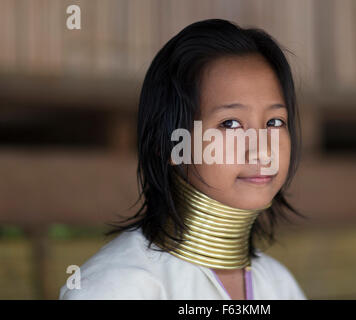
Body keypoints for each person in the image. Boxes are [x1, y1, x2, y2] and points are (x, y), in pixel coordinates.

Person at [59, 18, 308, 300]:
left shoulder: (277, 284)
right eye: (230, 124)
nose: (263, 151)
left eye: (275, 122)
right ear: (169, 144)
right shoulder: (117, 287)